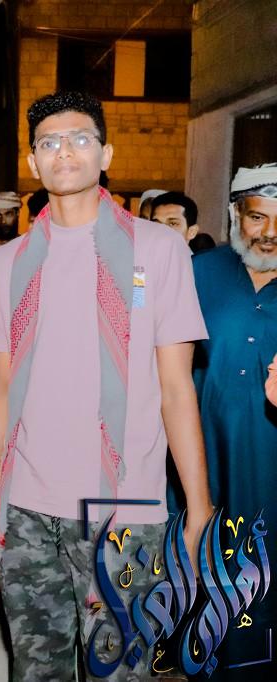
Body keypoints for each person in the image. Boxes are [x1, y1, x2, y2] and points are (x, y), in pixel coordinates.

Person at [0, 91, 212, 681]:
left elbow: (177, 389)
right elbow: (3, 390)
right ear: (34, 162)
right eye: (49, 142)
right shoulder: (7, 263)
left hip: (126, 511)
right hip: (26, 510)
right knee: (35, 671)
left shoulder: (158, 250)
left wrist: (199, 509)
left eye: (80, 139)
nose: (65, 152)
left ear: (105, 154)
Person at [182, 163, 277, 678]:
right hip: (206, 460)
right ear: (236, 214)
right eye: (258, 217)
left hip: (271, 462)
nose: (271, 233)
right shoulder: (200, 273)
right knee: (211, 572)